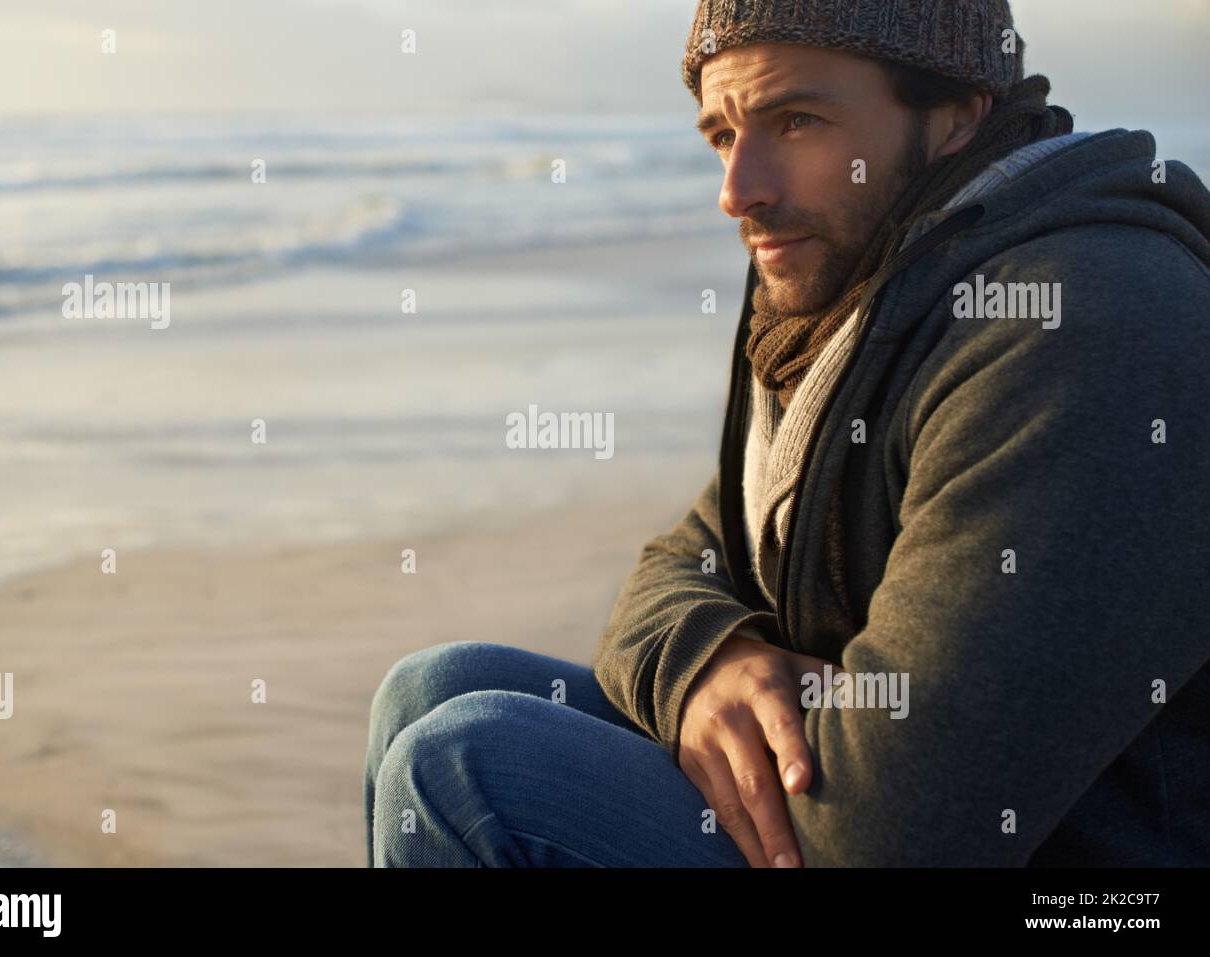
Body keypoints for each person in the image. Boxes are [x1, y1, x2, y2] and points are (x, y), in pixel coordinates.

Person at [364, 0, 1210, 867]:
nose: (740, 190)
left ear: (958, 113)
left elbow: (892, 835)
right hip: (858, 793)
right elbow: (692, 553)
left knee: (463, 768)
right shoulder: (855, 293)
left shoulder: (1080, 320)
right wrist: (707, 663)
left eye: (796, 121)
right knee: (433, 686)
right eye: (723, 135)